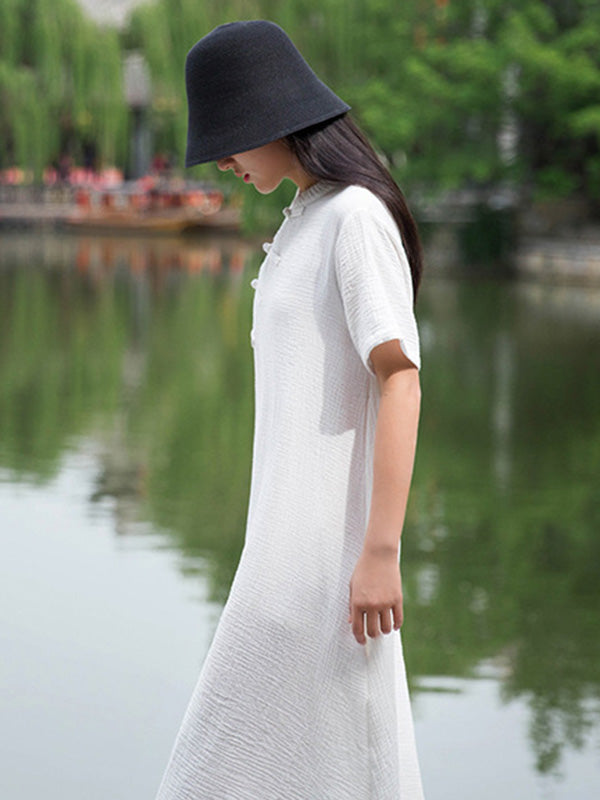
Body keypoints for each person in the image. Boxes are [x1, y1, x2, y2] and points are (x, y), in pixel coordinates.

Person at [156, 20, 425, 800]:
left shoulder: (354, 219)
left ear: (272, 116)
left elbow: (400, 379)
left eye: (228, 141)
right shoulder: (304, 218)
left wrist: (380, 552)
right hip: (277, 561)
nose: (223, 162)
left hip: (329, 572)